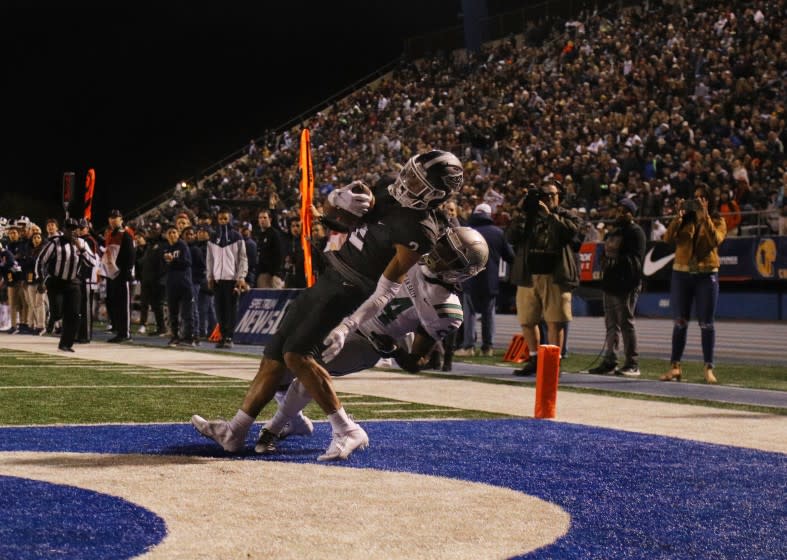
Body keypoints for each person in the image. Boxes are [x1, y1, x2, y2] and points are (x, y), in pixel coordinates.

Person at [191, 149, 464, 460]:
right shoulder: (390, 188)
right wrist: (337, 198)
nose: (406, 183)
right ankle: (235, 430)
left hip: (352, 289)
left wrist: (348, 326)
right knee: (275, 355)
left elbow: (388, 288)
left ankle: (346, 428)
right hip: (331, 275)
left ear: (437, 194)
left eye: (418, 183)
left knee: (297, 354)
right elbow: (338, 219)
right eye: (410, 175)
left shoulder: (421, 230)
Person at [255, 226, 489, 453]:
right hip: (346, 317)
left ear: (461, 270)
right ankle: (295, 421)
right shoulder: (414, 251)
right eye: (443, 245)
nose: (439, 254)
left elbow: (414, 362)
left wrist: (394, 350)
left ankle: (273, 429)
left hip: (368, 341)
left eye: (450, 256)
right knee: (280, 361)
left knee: (308, 368)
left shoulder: (445, 310)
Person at [507, 182, 581, 376]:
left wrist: (549, 215)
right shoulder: (528, 217)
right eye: (544, 195)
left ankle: (554, 363)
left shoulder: (567, 215)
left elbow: (570, 234)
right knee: (527, 320)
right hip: (529, 275)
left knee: (555, 321)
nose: (548, 198)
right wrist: (522, 211)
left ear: (559, 196)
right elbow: (511, 237)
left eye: (552, 195)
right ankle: (535, 359)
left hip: (554, 275)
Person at [660, 185, 727, 384]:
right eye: (695, 198)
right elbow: (667, 238)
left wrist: (705, 216)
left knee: (706, 323)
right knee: (679, 322)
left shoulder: (717, 220)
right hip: (681, 274)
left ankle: (708, 367)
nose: (697, 202)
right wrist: (677, 218)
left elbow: (716, 240)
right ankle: (675, 367)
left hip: (706, 275)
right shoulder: (684, 220)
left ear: (708, 201)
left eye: (701, 199)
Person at [589, 197, 646, 376]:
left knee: (626, 323)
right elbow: (604, 253)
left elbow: (636, 261)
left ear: (631, 213)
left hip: (626, 285)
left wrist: (617, 262)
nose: (620, 213)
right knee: (611, 324)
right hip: (610, 283)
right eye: (619, 209)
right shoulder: (614, 231)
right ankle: (610, 360)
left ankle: (632, 363)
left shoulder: (636, 232)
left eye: (624, 210)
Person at [455, 203, 514, 357]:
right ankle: (487, 347)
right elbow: (509, 256)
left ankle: (469, 346)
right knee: (489, 314)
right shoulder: (498, 233)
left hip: (470, 279)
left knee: (470, 314)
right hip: (490, 280)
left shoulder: (467, 232)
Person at [35, 218, 97, 352]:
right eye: (69, 228)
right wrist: (40, 279)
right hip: (56, 282)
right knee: (58, 311)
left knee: (74, 314)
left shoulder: (82, 243)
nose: (72, 231)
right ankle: (54, 318)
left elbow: (92, 263)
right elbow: (41, 260)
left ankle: (66, 344)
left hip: (73, 283)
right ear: (64, 230)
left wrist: (81, 250)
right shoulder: (55, 243)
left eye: (74, 229)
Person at [205, 208, 248, 348]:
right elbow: (209, 259)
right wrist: (210, 276)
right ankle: (222, 336)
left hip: (232, 279)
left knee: (231, 309)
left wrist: (241, 277)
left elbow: (243, 259)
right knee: (219, 309)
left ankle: (229, 337)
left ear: (230, 219)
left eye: (225, 218)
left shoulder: (237, 237)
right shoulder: (212, 238)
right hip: (218, 279)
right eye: (220, 219)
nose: (223, 221)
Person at [102, 209, 136, 343]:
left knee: (124, 305)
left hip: (122, 275)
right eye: (111, 217)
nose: (113, 220)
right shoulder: (112, 234)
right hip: (114, 274)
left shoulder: (125, 234)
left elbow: (131, 254)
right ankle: (120, 331)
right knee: (117, 304)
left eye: (116, 217)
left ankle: (126, 334)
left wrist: (127, 272)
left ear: (121, 219)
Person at [162, 224, 193, 347]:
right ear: (166, 236)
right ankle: (175, 336)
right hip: (171, 284)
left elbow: (187, 263)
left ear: (178, 234)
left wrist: (173, 260)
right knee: (173, 312)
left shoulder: (183, 246)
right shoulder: (166, 248)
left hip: (184, 283)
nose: (172, 235)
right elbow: (163, 267)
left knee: (187, 312)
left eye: (174, 232)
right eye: (169, 233)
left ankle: (189, 337)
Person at [254, 209, 284, 289]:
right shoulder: (259, 235)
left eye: (264, 217)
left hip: (272, 275)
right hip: (262, 273)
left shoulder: (274, 234)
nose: (262, 220)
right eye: (260, 218)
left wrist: (276, 273)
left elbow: (279, 254)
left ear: (270, 219)